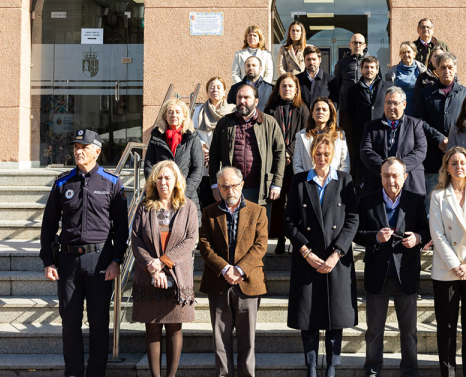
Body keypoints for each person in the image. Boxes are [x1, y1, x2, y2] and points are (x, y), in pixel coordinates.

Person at [39, 129, 128, 377]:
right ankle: (74, 373)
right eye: (76, 146)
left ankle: (96, 372)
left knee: (99, 323)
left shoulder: (112, 183)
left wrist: (116, 260)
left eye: (84, 147)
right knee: (70, 323)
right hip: (67, 261)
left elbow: (121, 227)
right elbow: (48, 224)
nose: (78, 151)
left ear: (97, 151)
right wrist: (48, 261)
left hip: (99, 261)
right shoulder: (62, 182)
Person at [284, 134, 359, 377]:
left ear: (333, 155)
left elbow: (352, 219)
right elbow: (288, 221)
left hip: (336, 260)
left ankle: (331, 368)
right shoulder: (298, 181)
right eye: (318, 154)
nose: (322, 159)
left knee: (335, 317)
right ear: (312, 154)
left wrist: (337, 253)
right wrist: (305, 251)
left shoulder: (345, 180)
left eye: (327, 154)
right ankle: (312, 367)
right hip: (308, 258)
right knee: (308, 317)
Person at [355, 157, 430, 377]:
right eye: (386, 175)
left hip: (405, 274)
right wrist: (375, 237)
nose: (391, 180)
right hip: (377, 274)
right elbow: (357, 233)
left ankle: (409, 371)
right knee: (374, 331)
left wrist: (417, 237)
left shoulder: (415, 201)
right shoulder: (367, 201)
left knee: (408, 332)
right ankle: (372, 370)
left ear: (405, 177)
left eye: (395, 175)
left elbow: (426, 231)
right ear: (381, 177)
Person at [199, 166, 269, 377]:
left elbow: (261, 245)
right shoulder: (209, 212)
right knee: (221, 339)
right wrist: (224, 268)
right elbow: (204, 245)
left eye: (234, 186)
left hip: (248, 282)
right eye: (225, 186)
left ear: (242, 185)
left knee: (247, 340)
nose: (230, 191)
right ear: (218, 188)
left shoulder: (258, 211)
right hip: (218, 282)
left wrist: (239, 269)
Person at [131, 160, 198, 377]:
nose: (163, 182)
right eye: (159, 178)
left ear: (177, 180)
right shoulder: (144, 207)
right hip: (149, 274)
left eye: (167, 177)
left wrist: (164, 262)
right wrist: (154, 269)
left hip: (178, 275)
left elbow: (190, 241)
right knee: (152, 327)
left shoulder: (188, 206)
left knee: (174, 327)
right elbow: (136, 240)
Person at [429, 146, 466, 377]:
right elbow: (437, 234)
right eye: (453, 162)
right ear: (447, 166)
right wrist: (456, 264)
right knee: (446, 328)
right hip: (447, 270)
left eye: (462, 163)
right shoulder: (437, 196)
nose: (458, 166)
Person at [208, 84, 285, 217]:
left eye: (246, 98)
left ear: (256, 101)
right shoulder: (225, 123)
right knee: (233, 232)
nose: (242, 101)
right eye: (239, 97)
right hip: (231, 189)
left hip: (260, 188)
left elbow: (280, 154)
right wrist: (215, 185)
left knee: (258, 233)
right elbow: (214, 156)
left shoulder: (269, 122)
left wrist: (277, 184)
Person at [414, 52, 466, 210]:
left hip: (458, 158)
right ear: (436, 70)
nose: (447, 71)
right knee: (431, 202)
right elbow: (418, 120)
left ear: (456, 69)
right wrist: (439, 138)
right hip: (432, 158)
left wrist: (452, 140)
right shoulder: (425, 94)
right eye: (443, 67)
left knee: (457, 203)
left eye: (450, 67)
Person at [264, 73, 310, 254]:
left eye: (291, 86)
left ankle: (296, 237)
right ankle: (280, 237)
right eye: (284, 86)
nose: (287, 89)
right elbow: (267, 135)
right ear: (278, 89)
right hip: (276, 162)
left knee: (295, 201)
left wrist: (289, 152)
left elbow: (304, 133)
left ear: (296, 89)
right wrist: (282, 154)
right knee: (277, 201)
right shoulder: (269, 109)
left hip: (296, 161)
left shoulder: (303, 109)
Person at [360, 86, 427, 196]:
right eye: (388, 103)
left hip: (410, 183)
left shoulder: (415, 125)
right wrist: (385, 169)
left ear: (404, 105)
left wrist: (399, 169)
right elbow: (365, 152)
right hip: (378, 182)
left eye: (395, 103)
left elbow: (420, 151)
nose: (391, 107)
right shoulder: (371, 126)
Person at [145, 98, 204, 221]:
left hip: (186, 197)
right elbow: (149, 165)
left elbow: (197, 168)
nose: (174, 115)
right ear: (165, 116)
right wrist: (158, 188)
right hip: (161, 197)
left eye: (178, 112)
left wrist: (182, 193)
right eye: (170, 112)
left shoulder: (192, 137)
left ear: (184, 116)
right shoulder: (156, 136)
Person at [347, 56, 392, 191]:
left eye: (372, 67)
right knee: (362, 177)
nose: (369, 70)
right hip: (362, 136)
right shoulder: (353, 90)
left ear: (377, 69)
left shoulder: (388, 87)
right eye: (366, 67)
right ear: (361, 69)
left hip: (383, 135)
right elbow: (351, 114)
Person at [193, 77, 236, 210]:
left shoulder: (232, 110)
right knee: (206, 204)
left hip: (225, 160)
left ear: (224, 92)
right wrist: (203, 148)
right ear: (207, 91)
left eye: (218, 87)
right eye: (211, 87)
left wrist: (216, 153)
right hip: (204, 160)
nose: (214, 90)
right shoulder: (199, 110)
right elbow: (193, 132)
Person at [293, 96, 350, 174]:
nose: (320, 112)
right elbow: (297, 166)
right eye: (317, 109)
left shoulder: (339, 135)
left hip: (334, 182)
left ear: (330, 114)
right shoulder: (301, 136)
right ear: (312, 114)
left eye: (324, 110)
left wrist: (337, 182)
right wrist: (306, 183)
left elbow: (345, 165)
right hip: (308, 182)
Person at [334, 33, 369, 158]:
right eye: (355, 42)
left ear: (364, 45)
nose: (357, 45)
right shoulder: (342, 64)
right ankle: (349, 172)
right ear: (350, 45)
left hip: (365, 109)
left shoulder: (370, 63)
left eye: (360, 43)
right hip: (346, 110)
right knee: (348, 142)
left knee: (365, 141)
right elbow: (336, 88)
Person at [385, 41, 427, 116]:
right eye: (403, 52)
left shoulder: (423, 71)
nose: (406, 55)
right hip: (397, 113)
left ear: (414, 54)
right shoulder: (393, 72)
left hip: (418, 113)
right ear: (400, 55)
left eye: (408, 52)